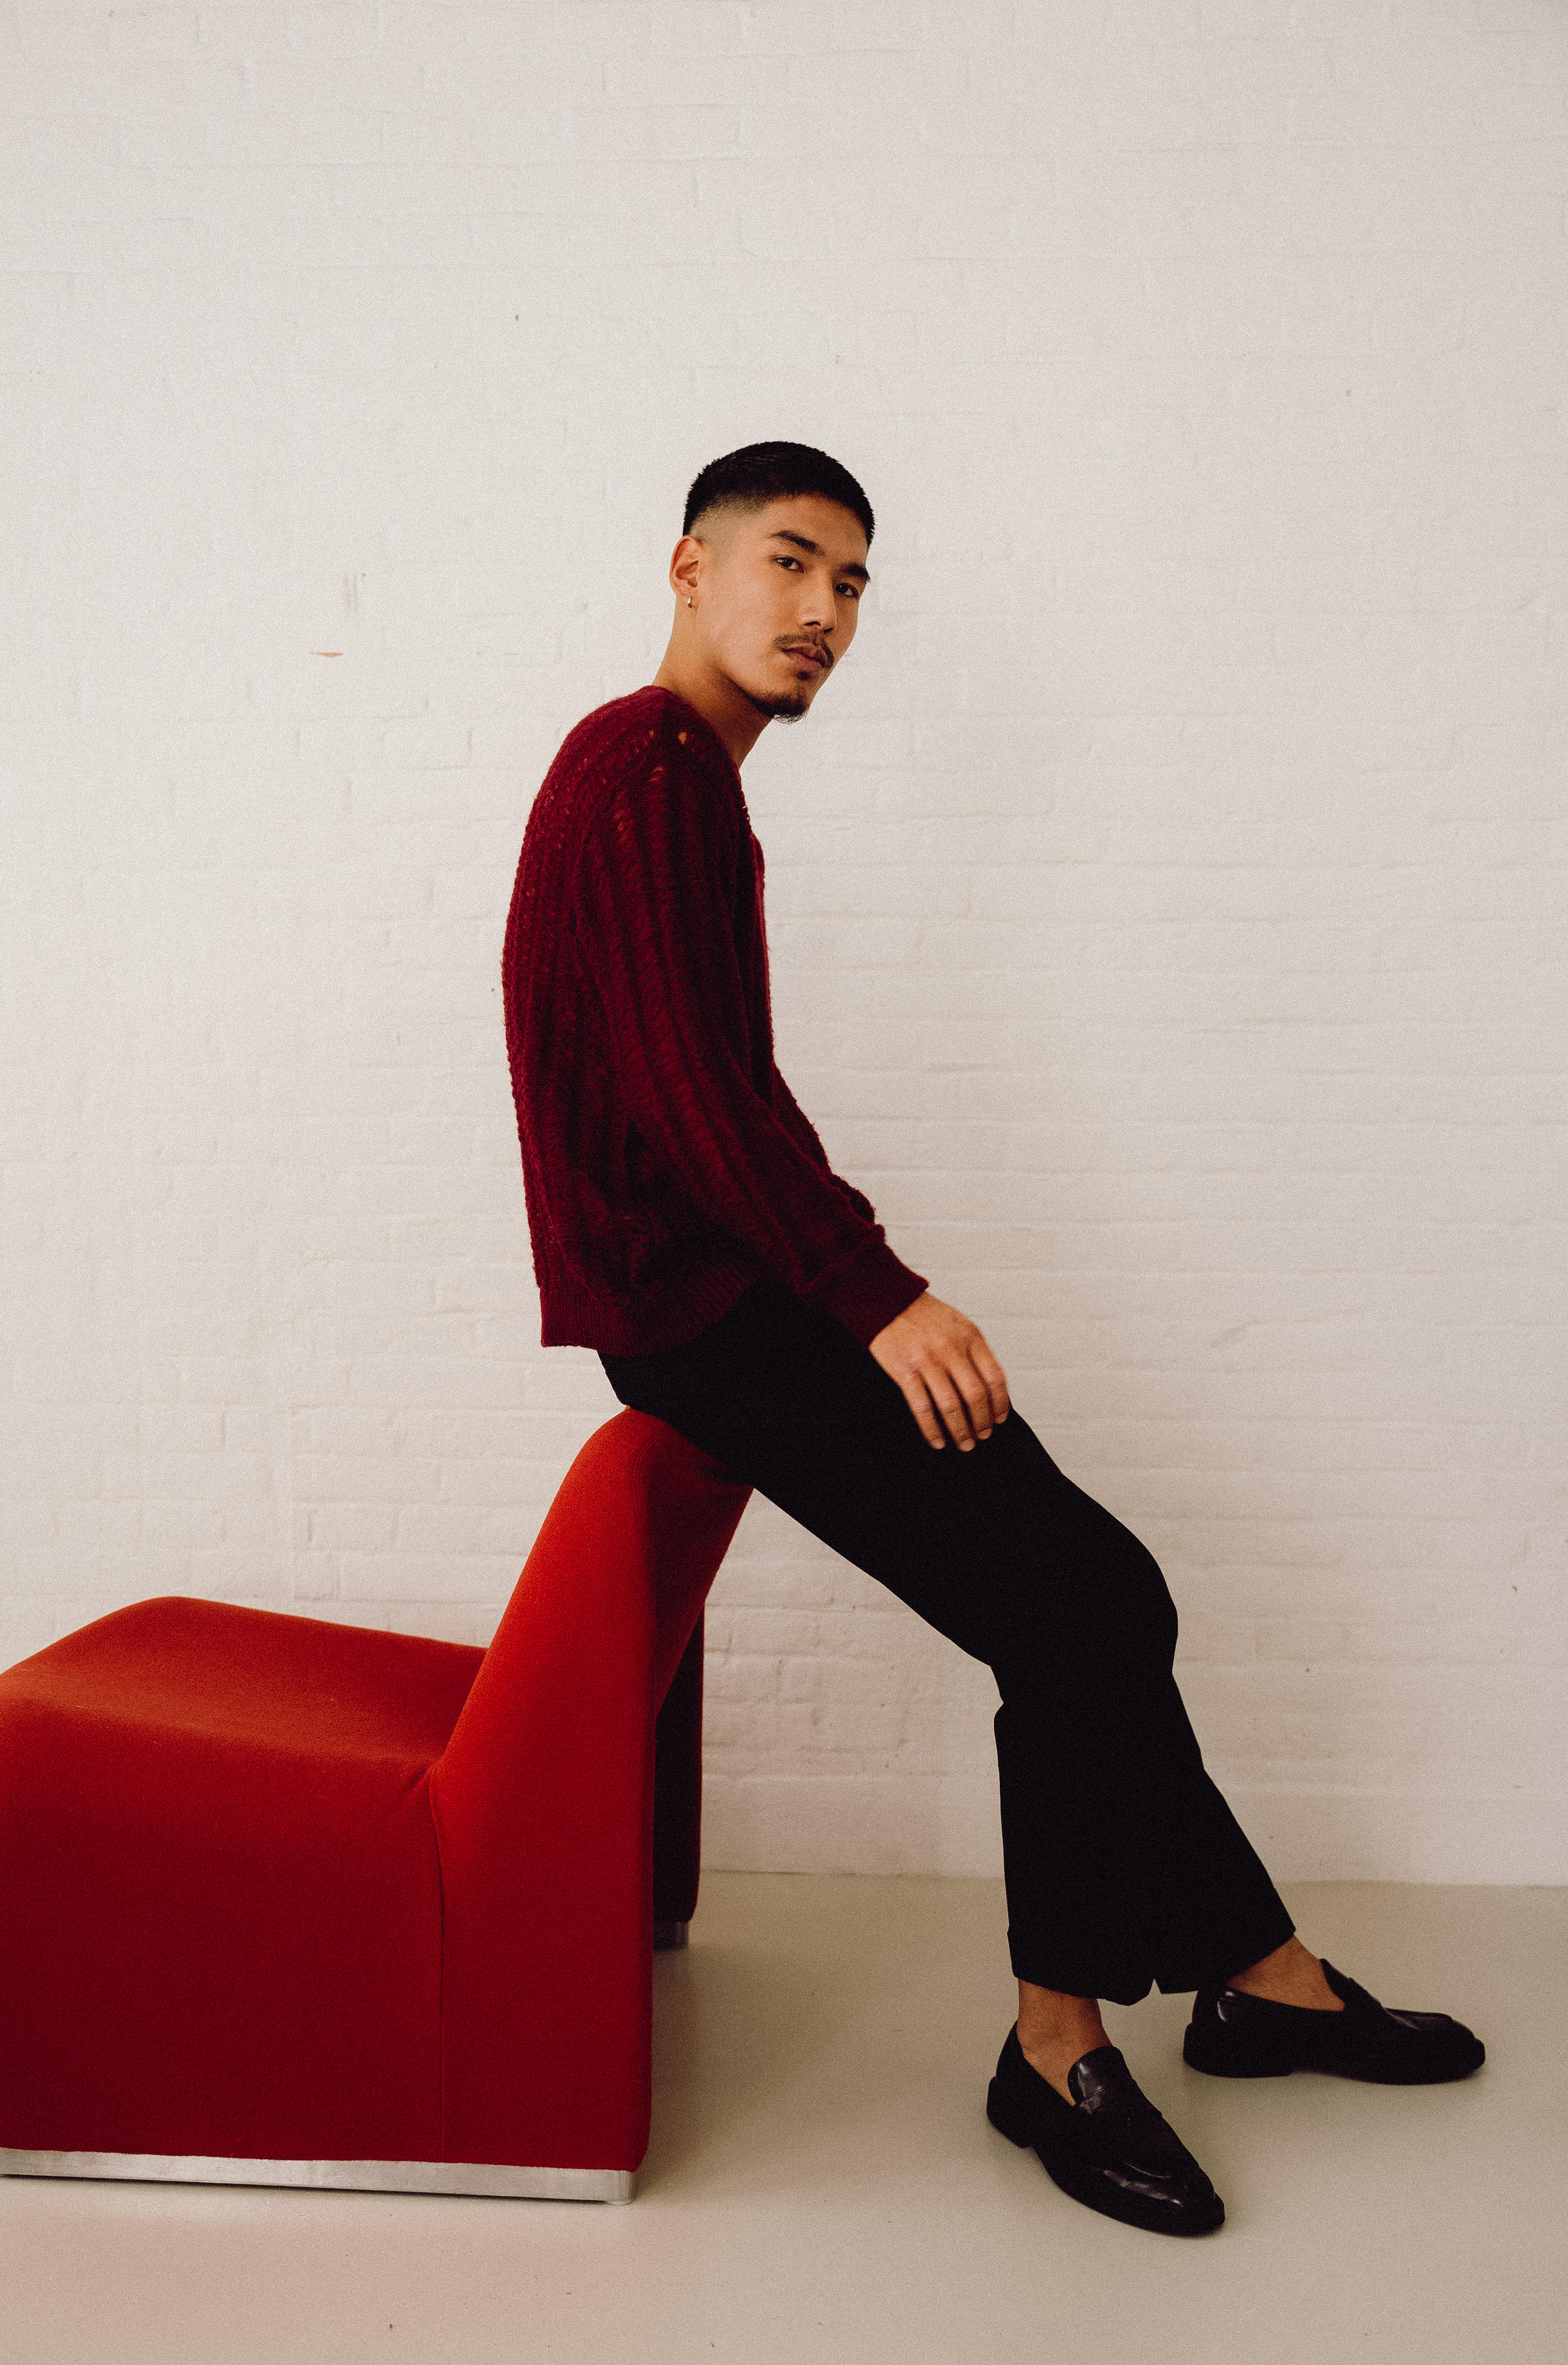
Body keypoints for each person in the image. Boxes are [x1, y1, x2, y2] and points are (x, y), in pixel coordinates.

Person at [500, 439, 1485, 2237]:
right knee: (1086, 1604)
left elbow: (702, 1086)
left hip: (708, 1297)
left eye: (852, 584)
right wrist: (873, 1290)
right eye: (789, 561)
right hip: (709, 1311)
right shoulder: (647, 768)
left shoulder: (669, 777)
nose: (821, 610)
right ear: (689, 568)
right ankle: (1057, 2050)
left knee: (1095, 1598)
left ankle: (1258, 1976)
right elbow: (692, 1095)